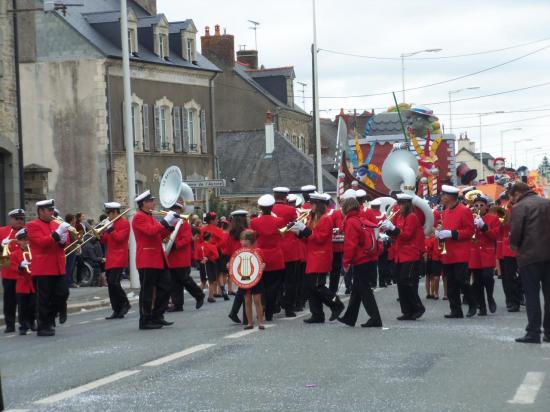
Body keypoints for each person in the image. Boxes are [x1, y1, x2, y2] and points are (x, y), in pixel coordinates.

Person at [291, 192, 344, 324]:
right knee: (310, 286)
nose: (311, 206)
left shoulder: (326, 219)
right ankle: (317, 314)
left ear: (319, 205)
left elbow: (320, 238)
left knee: (318, 286)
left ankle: (336, 304)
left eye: (313, 204)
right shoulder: (312, 218)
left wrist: (306, 231)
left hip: (321, 255)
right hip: (312, 255)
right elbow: (308, 239)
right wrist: (299, 233)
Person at [509, 182, 550, 344]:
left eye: (512, 197)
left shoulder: (520, 207)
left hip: (529, 256)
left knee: (532, 295)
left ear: (517, 193)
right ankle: (549, 332)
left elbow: (516, 232)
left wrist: (515, 247)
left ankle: (533, 332)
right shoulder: (547, 203)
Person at [132, 190, 177, 330]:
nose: (154, 203)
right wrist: (164, 221)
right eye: (151, 201)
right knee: (147, 291)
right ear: (143, 203)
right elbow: (151, 231)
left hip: (157, 258)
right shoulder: (138, 217)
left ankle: (157, 315)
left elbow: (159, 235)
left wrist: (171, 225)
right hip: (147, 258)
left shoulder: (149, 216)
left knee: (167, 286)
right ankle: (145, 320)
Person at [337, 197, 382, 327]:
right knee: (357, 291)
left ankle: (375, 318)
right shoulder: (360, 219)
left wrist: (345, 262)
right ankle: (349, 317)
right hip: (368, 258)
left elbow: (350, 245)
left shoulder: (351, 222)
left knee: (365, 291)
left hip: (360, 260)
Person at [27, 199, 69, 336]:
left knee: (63, 293)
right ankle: (43, 326)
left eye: (52, 210)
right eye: (49, 210)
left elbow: (62, 242)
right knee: (44, 298)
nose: (52, 213)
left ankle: (50, 318)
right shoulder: (32, 225)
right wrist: (58, 234)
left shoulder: (55, 223)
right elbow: (41, 243)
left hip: (58, 266)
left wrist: (63, 241)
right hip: (43, 267)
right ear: (40, 211)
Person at [381, 194, 425, 320]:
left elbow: (407, 235)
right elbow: (397, 236)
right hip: (400, 254)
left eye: (401, 204)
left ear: (407, 205)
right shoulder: (400, 216)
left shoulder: (412, 217)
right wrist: (388, 230)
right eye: (398, 204)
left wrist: (393, 228)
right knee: (400, 283)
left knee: (407, 282)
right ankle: (406, 311)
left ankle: (418, 307)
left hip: (410, 253)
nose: (398, 207)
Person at [435, 185, 476, 319]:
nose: (441, 198)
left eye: (443, 195)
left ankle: (472, 303)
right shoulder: (445, 211)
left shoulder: (464, 210)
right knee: (451, 283)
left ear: (449, 197)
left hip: (460, 253)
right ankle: (455, 310)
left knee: (461, 281)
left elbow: (470, 231)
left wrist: (452, 233)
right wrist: (440, 233)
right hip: (449, 253)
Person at [249, 194, 286, 321]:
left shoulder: (254, 222)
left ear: (260, 207)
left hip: (260, 256)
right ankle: (270, 311)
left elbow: (252, 239)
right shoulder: (279, 221)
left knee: (261, 285)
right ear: (272, 207)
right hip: (276, 255)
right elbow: (283, 237)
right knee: (274, 285)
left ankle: (263, 307)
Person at [166, 203, 204, 312]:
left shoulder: (184, 223)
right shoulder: (168, 223)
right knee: (174, 282)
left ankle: (199, 295)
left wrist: (176, 245)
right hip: (171, 256)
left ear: (179, 211)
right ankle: (177, 304)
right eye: (171, 209)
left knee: (185, 279)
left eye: (175, 210)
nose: (173, 212)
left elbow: (187, 238)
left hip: (181, 257)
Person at [469, 195, 500, 316]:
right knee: (477, 282)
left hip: (487, 252)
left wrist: (484, 227)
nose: (478, 207)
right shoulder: (470, 218)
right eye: (476, 205)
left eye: (481, 205)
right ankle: (482, 306)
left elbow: (495, 236)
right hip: (475, 254)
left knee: (488, 276)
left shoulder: (493, 219)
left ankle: (490, 297)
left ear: (486, 206)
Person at [272, 187, 300, 317]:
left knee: (275, 279)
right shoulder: (291, 210)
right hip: (290, 249)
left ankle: (275, 304)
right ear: (285, 197)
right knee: (290, 281)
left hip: (275, 248)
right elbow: (297, 227)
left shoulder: (268, 209)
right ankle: (289, 308)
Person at [100, 202, 131, 320]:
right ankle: (116, 309)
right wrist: (99, 236)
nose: (108, 216)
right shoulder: (111, 224)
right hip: (110, 257)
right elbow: (106, 240)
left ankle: (125, 303)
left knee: (114, 282)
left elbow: (120, 238)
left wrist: (111, 228)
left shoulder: (124, 223)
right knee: (111, 285)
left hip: (119, 257)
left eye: (109, 213)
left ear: (115, 212)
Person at [1, 208, 26, 333]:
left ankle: (25, 323)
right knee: (9, 301)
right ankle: (10, 324)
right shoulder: (2, 232)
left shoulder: (28, 231)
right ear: (11, 219)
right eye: (17, 219)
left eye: (22, 219)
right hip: (9, 274)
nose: (20, 221)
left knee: (25, 301)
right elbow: (2, 259)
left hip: (25, 274)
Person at [495, 198, 522, 312]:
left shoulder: (521, 210)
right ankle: (512, 301)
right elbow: (499, 229)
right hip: (506, 249)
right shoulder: (504, 210)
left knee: (522, 276)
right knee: (508, 278)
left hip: (520, 248)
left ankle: (518, 296)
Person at [237, 230, 266, 330]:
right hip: (244, 278)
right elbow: (235, 264)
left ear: (249, 240)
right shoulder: (239, 252)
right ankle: (250, 322)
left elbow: (263, 263)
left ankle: (260, 322)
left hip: (256, 278)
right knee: (247, 300)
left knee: (257, 300)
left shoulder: (258, 251)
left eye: (244, 239)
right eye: (241, 240)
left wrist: (262, 266)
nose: (242, 242)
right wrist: (229, 265)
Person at [9, 228, 35, 335]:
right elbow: (11, 266)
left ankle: (32, 322)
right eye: (23, 240)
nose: (26, 242)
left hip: (33, 283)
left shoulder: (33, 251)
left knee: (33, 305)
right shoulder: (15, 254)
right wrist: (20, 266)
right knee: (22, 306)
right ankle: (23, 326)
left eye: (27, 240)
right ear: (18, 241)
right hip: (22, 284)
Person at [226, 210, 250, 324]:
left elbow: (225, 250)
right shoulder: (247, 233)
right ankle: (245, 317)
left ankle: (234, 312)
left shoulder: (229, 234)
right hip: (246, 261)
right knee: (247, 289)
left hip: (235, 263)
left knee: (242, 288)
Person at [202, 212, 228, 300]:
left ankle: (213, 293)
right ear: (212, 220)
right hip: (216, 252)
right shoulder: (218, 230)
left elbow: (201, 241)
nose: (217, 220)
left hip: (207, 252)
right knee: (220, 272)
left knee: (211, 273)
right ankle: (222, 290)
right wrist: (214, 247)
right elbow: (223, 242)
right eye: (216, 219)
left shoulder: (203, 229)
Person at [194, 230, 219, 303]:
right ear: (210, 238)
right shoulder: (212, 246)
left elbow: (196, 257)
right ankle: (210, 297)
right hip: (210, 265)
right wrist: (208, 258)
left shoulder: (199, 246)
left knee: (203, 281)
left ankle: (198, 295)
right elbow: (216, 256)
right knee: (211, 281)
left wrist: (201, 260)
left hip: (202, 264)